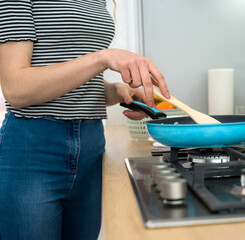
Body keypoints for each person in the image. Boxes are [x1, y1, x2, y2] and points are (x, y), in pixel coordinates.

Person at [0, 0, 169, 239]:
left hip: (91, 147)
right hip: (33, 150)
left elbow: (77, 83)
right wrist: (103, 58)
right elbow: (16, 89)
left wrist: (118, 92)